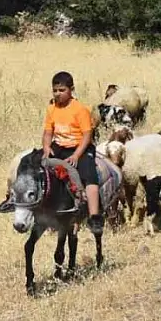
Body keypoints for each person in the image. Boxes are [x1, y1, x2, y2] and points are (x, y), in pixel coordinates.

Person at [42, 71, 104, 234]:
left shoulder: (80, 109)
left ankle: (94, 217)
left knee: (89, 176)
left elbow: (87, 135)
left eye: (62, 90)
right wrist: (47, 147)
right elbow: (48, 132)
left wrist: (76, 155)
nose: (58, 94)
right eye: (55, 90)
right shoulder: (51, 109)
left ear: (71, 90)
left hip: (80, 146)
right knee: (40, 169)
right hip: (59, 146)